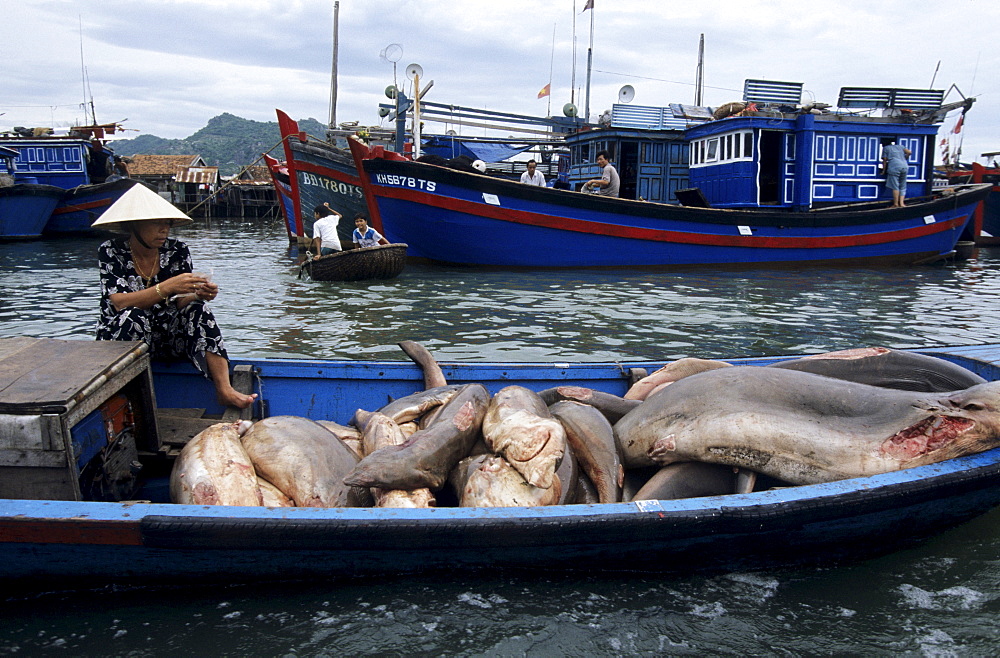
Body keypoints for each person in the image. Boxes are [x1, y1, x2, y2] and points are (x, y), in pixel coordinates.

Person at [92, 185, 257, 410]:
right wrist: (166, 287)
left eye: (167, 223)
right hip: (123, 341)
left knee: (200, 310)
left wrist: (198, 294)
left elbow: (180, 300)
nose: (164, 230)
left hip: (168, 337)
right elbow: (120, 302)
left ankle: (224, 389)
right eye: (156, 223)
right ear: (134, 225)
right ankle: (128, 398)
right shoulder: (111, 251)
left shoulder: (177, 250)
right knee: (134, 315)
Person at [880, 138, 912, 208]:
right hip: (904, 166)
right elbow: (909, 152)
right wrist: (905, 157)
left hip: (894, 167)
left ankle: (896, 204)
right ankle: (902, 203)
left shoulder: (885, 148)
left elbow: (884, 161)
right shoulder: (900, 146)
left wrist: (883, 171)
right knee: (903, 185)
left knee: (895, 186)